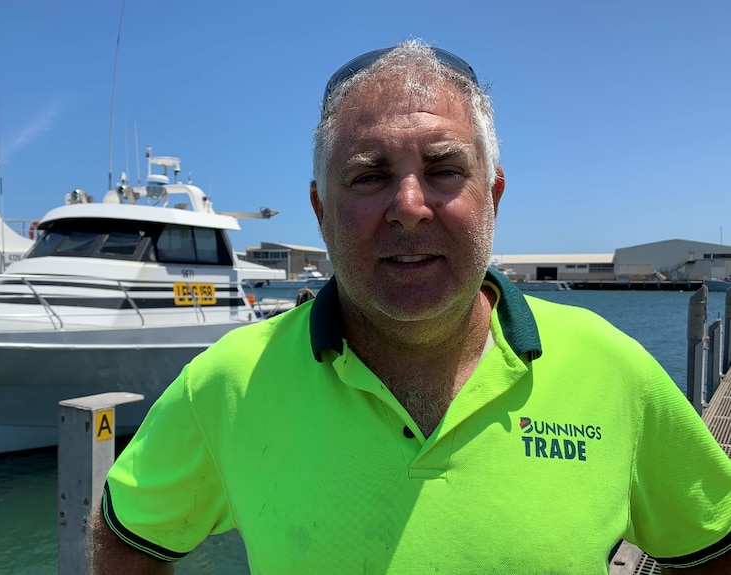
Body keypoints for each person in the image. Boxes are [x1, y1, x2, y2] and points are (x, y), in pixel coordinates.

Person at [90, 39, 731, 573]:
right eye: (369, 176)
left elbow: (708, 544)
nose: (409, 206)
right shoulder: (227, 383)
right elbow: (128, 532)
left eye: (444, 170)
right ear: (320, 209)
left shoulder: (614, 369)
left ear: (494, 193)